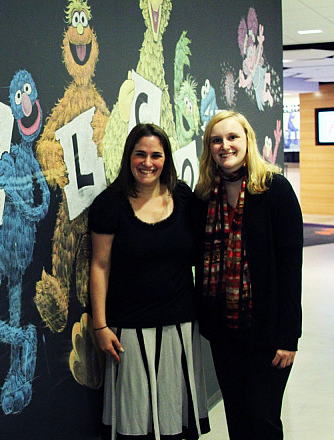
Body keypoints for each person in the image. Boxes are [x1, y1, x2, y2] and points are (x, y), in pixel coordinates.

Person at [90, 123, 210, 439]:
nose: (148, 162)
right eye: (140, 154)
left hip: (180, 328)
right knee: (135, 425)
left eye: (156, 155)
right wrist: (100, 326)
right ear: (129, 157)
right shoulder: (109, 203)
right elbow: (100, 266)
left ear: (166, 159)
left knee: (175, 424)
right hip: (127, 332)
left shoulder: (183, 197)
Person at [194, 110, 303, 439]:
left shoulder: (274, 190)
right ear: (209, 148)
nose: (225, 146)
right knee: (238, 419)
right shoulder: (203, 197)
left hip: (267, 333)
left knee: (264, 420)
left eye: (232, 138)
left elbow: (290, 270)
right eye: (217, 140)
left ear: (247, 142)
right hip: (224, 333)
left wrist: (289, 337)